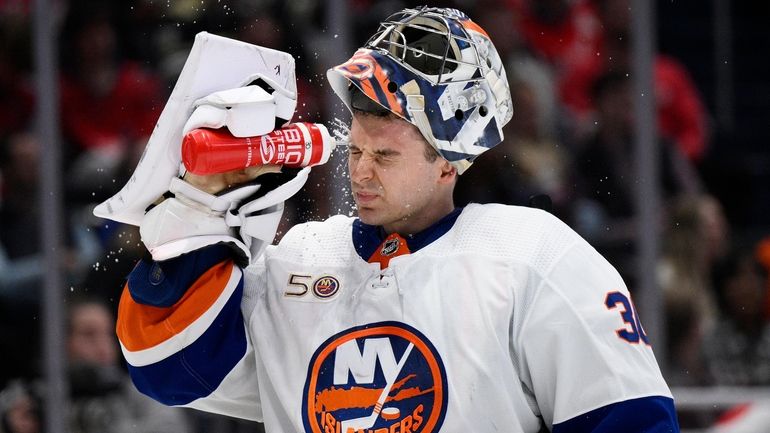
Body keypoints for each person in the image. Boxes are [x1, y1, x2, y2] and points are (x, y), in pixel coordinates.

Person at [107, 7, 679, 432]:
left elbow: (630, 421)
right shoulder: (298, 259)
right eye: (355, 150)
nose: (360, 172)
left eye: (385, 156)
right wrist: (198, 222)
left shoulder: (534, 257)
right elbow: (168, 372)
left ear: (449, 161)